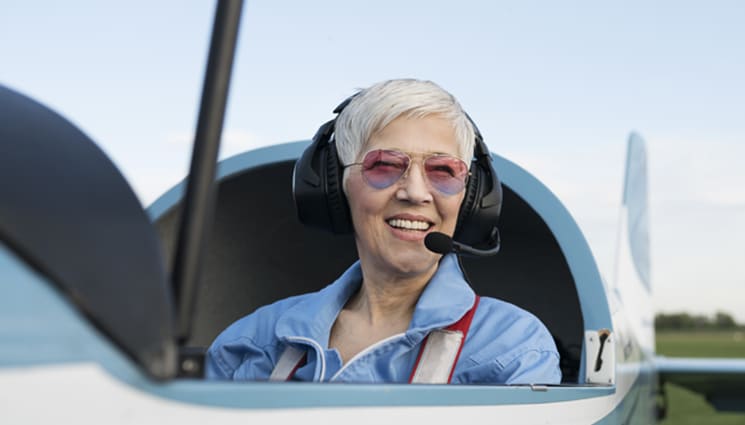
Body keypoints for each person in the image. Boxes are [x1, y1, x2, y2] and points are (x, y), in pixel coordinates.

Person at [205, 79, 561, 384]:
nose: (415, 192)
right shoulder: (253, 340)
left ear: (471, 197)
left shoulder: (513, 346)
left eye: (443, 171)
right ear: (333, 187)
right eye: (385, 165)